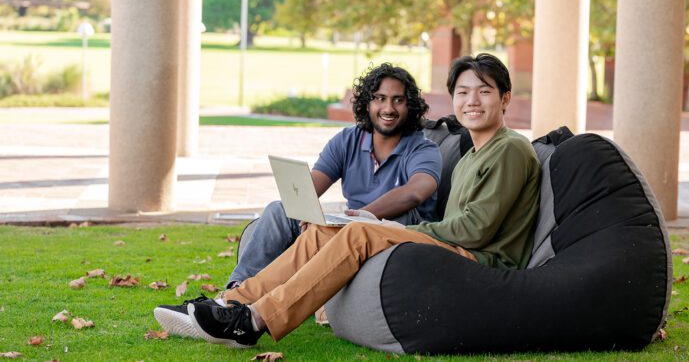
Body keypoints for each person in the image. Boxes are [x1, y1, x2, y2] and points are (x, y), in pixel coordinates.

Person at [157, 53, 541, 348]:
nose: (472, 100)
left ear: (505, 98)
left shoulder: (509, 149)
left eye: (484, 91)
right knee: (324, 229)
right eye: (463, 92)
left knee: (358, 233)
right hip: (450, 244)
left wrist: (382, 224)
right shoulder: (474, 153)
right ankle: (229, 303)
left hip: (479, 259)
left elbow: (475, 229)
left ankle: (253, 322)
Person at [154, 63, 443, 336]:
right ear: (367, 104)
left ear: (410, 106)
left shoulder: (422, 148)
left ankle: (233, 309)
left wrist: (359, 217)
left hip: (389, 230)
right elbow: (311, 186)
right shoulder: (348, 140)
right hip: (346, 227)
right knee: (280, 210)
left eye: (398, 100)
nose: (388, 108)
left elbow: (416, 191)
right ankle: (231, 298)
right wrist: (305, 209)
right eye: (379, 98)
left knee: (343, 226)